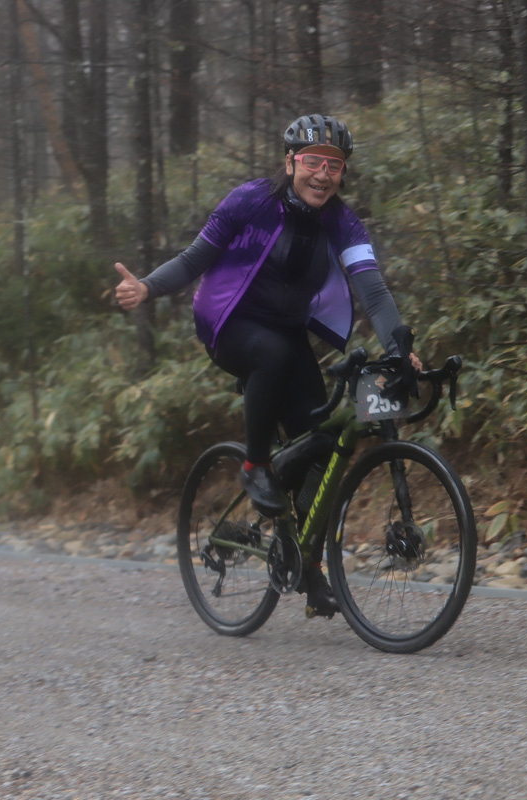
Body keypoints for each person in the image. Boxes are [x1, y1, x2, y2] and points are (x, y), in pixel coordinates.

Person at [113, 114, 421, 618]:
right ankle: (255, 463)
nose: (323, 174)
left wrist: (399, 343)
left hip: (287, 332)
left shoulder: (342, 222)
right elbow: (193, 261)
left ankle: (308, 568)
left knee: (319, 446)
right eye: (312, 162)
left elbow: (373, 289)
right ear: (290, 163)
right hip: (229, 322)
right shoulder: (250, 201)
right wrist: (146, 287)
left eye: (335, 165)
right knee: (272, 354)